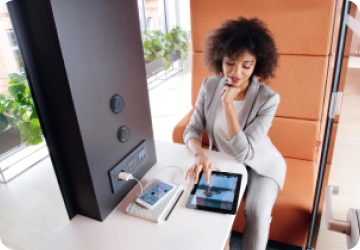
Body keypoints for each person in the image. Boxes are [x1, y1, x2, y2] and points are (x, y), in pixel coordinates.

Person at [184, 17, 287, 250]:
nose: (235, 72)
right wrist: (199, 153)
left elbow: (244, 153)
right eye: (230, 62)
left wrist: (229, 104)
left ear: (257, 65)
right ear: (220, 58)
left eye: (246, 66)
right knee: (213, 207)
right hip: (226, 161)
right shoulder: (210, 86)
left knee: (257, 212)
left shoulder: (268, 99)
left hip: (261, 165)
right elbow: (192, 129)